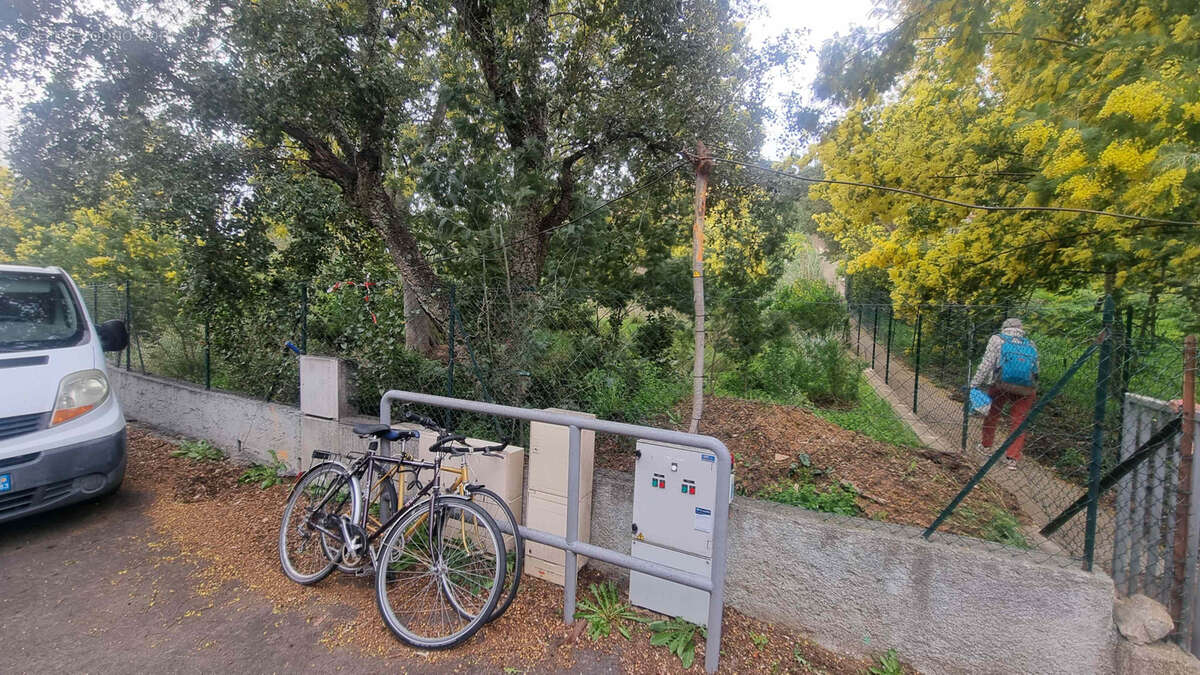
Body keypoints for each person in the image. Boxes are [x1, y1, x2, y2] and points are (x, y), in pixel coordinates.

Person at [971, 317, 1039, 469]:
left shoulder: (997, 339)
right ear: (1021, 329)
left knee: (992, 413)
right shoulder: (1030, 344)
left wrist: (974, 384)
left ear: (1004, 328)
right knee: (1019, 421)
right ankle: (1012, 459)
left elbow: (987, 364)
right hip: (1025, 388)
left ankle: (986, 446)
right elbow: (1036, 369)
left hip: (1000, 384)